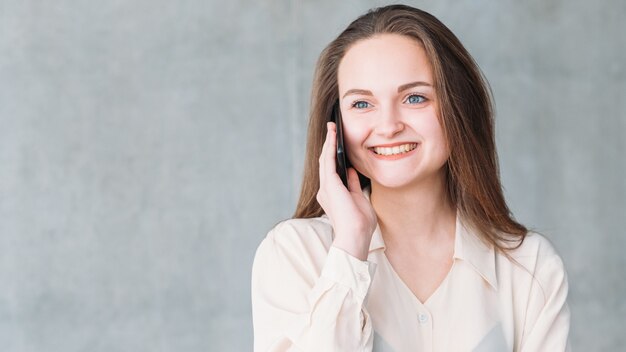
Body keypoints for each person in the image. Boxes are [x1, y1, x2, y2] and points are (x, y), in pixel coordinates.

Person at [251, 4, 570, 351]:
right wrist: (350, 250)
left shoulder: (530, 266)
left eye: (414, 98)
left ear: (458, 107)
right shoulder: (296, 254)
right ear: (336, 126)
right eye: (361, 104)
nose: (388, 126)